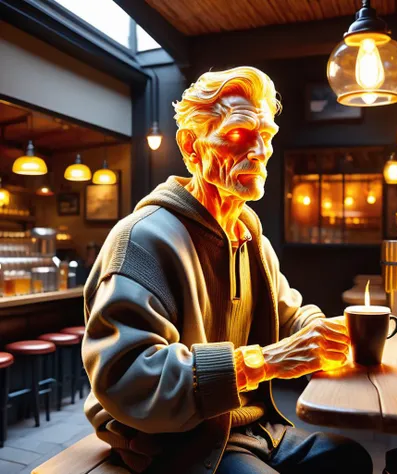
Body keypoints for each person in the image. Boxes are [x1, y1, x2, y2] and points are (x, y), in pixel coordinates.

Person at [82, 66, 372, 474]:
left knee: (350, 459)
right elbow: (130, 378)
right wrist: (264, 363)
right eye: (238, 134)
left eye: (266, 136)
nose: (258, 151)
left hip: (257, 430)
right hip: (179, 443)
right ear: (192, 146)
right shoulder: (140, 240)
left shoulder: (249, 234)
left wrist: (329, 332)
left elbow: (288, 313)